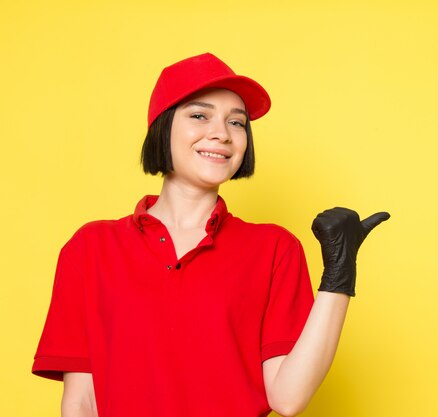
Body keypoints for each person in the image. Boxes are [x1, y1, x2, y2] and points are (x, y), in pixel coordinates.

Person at [32, 53, 390, 417]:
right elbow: (82, 402)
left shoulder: (274, 248)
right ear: (163, 127)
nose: (222, 133)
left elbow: (288, 398)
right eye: (199, 115)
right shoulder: (92, 248)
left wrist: (339, 276)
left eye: (237, 122)